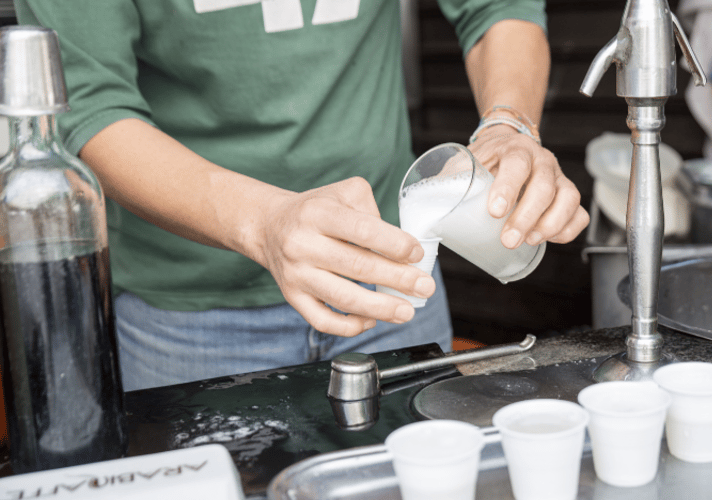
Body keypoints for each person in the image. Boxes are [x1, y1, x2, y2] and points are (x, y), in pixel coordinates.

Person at [14, 0, 589, 391]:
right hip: (187, 319)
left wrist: (508, 123)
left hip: (395, 284)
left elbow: (496, 8)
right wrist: (261, 222)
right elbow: (89, 103)